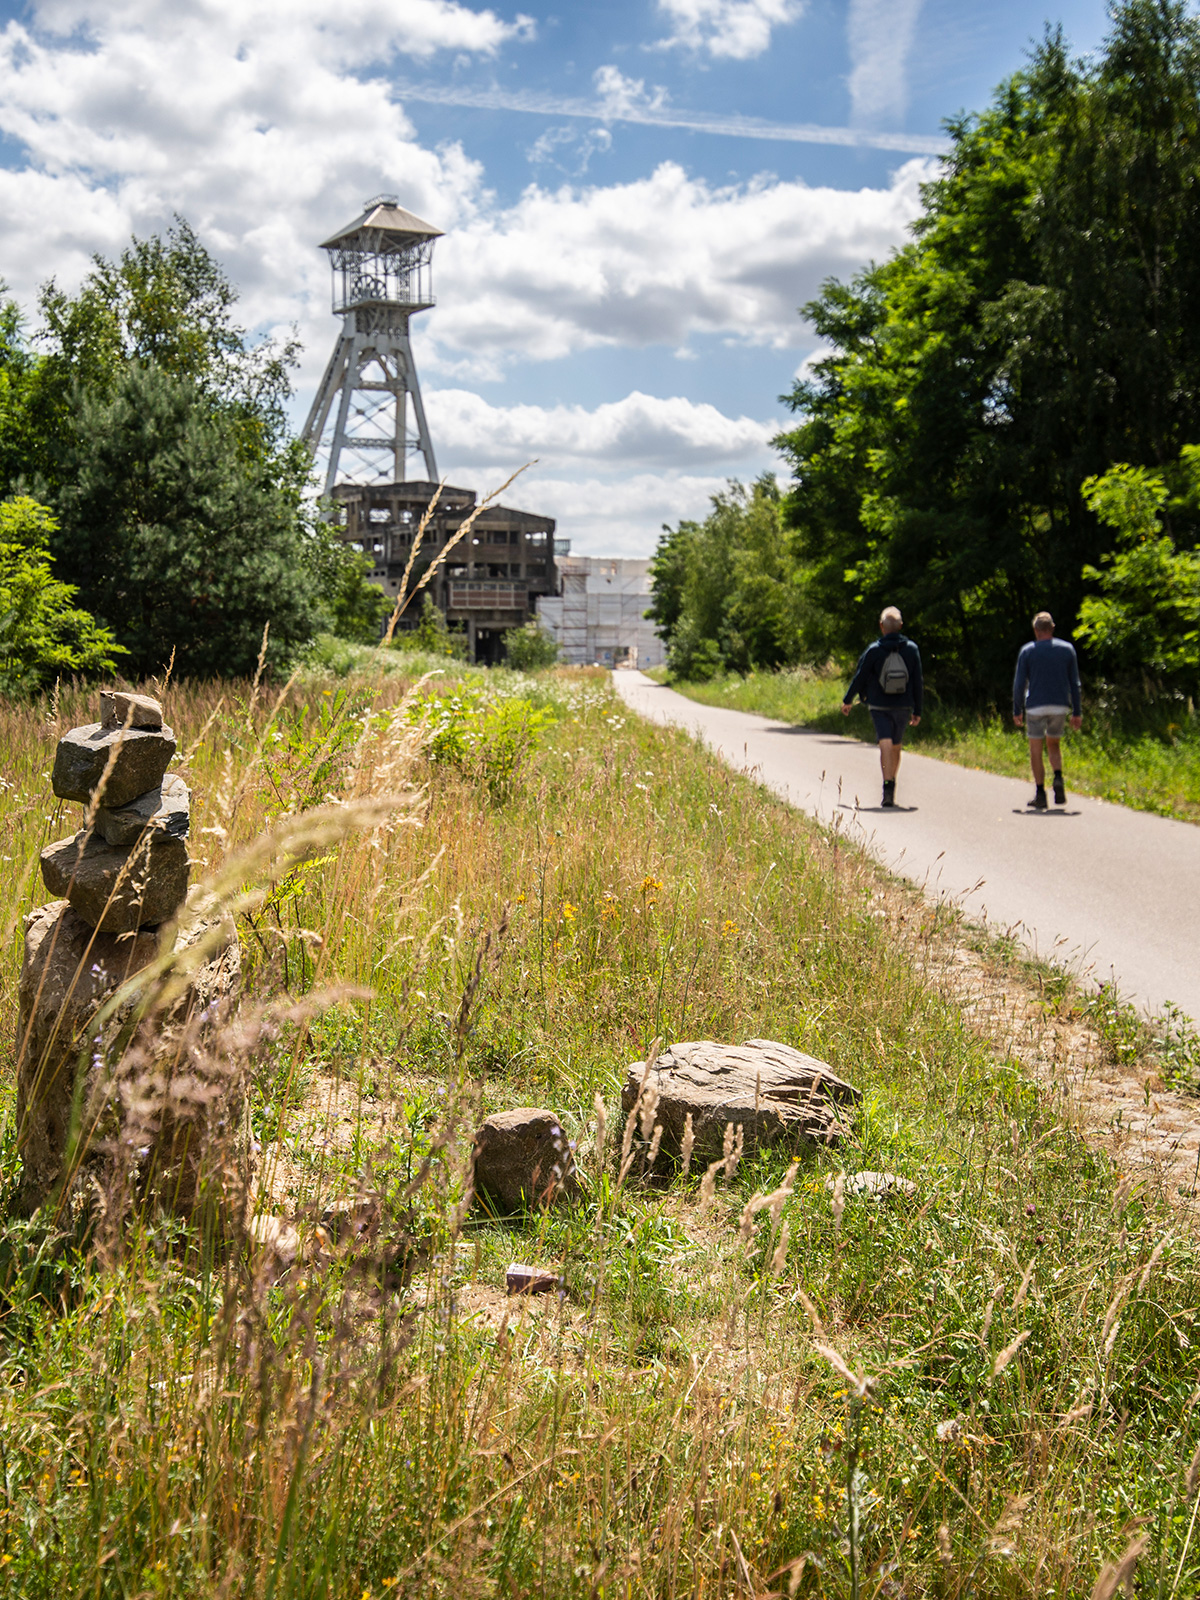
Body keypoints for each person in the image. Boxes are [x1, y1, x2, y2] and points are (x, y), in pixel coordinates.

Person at [842, 606, 923, 808]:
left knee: (885, 744)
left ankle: (887, 787)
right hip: (904, 706)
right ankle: (891, 784)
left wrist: (848, 699)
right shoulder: (911, 649)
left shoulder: (874, 650)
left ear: (881, 626)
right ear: (901, 626)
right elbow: (917, 681)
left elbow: (860, 677)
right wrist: (918, 709)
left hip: (879, 705)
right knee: (895, 745)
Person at [1012, 611, 1082, 809]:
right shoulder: (1067, 649)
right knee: (1054, 745)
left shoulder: (1027, 651)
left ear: (1035, 630)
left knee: (1036, 749)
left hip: (1035, 706)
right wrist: (1077, 712)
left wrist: (1016, 709)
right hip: (1059, 706)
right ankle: (1058, 777)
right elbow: (1075, 683)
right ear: (1052, 628)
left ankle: (1040, 793)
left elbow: (1019, 684)